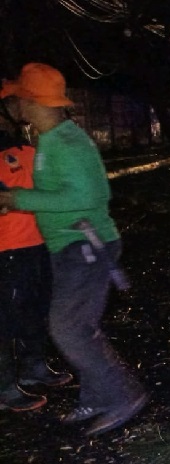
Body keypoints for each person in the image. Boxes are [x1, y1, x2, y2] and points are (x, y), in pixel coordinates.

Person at [0, 63, 147, 434]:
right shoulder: (49, 139)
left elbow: (90, 195)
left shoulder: (68, 142)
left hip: (84, 244)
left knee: (69, 329)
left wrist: (19, 198)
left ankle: (121, 395)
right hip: (70, 245)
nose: (14, 104)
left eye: (18, 98)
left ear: (31, 102)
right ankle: (97, 397)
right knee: (75, 326)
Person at [0, 98, 72, 412]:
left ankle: (33, 368)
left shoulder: (26, 147)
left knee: (35, 309)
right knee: (5, 319)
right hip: (7, 248)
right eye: (14, 103)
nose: (23, 108)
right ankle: (4, 387)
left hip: (36, 243)